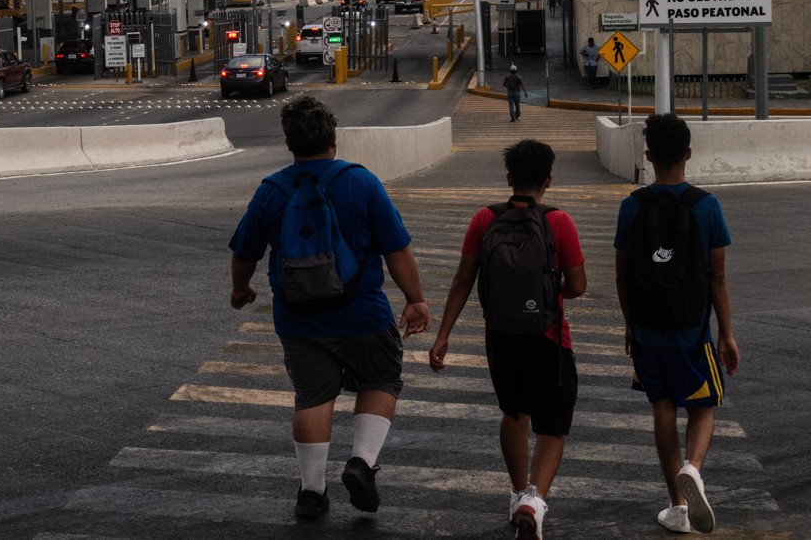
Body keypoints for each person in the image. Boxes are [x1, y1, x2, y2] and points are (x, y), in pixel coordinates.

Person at [229, 95, 431, 520]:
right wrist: (415, 299)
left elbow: (245, 250)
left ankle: (312, 490)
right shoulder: (362, 182)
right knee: (380, 377)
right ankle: (361, 462)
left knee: (313, 395)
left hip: (298, 318)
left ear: (289, 143)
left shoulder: (271, 190)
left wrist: (241, 288)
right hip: (363, 312)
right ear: (334, 139)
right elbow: (397, 250)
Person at [429, 140, 587, 540]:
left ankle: (518, 494)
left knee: (514, 413)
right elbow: (580, 286)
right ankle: (536, 500)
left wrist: (443, 336)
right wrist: (548, 289)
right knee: (552, 426)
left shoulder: (485, 219)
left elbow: (463, 280)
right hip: (549, 338)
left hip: (500, 338)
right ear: (548, 180)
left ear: (509, 179)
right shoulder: (559, 222)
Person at [614, 114, 739, 535]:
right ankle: (694, 467)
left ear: (648, 156)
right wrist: (726, 333)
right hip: (692, 334)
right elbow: (717, 277)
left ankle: (678, 507)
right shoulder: (707, 206)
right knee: (704, 406)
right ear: (688, 153)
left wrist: (631, 324)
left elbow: (623, 273)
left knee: (662, 409)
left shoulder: (632, 206)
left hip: (648, 331)